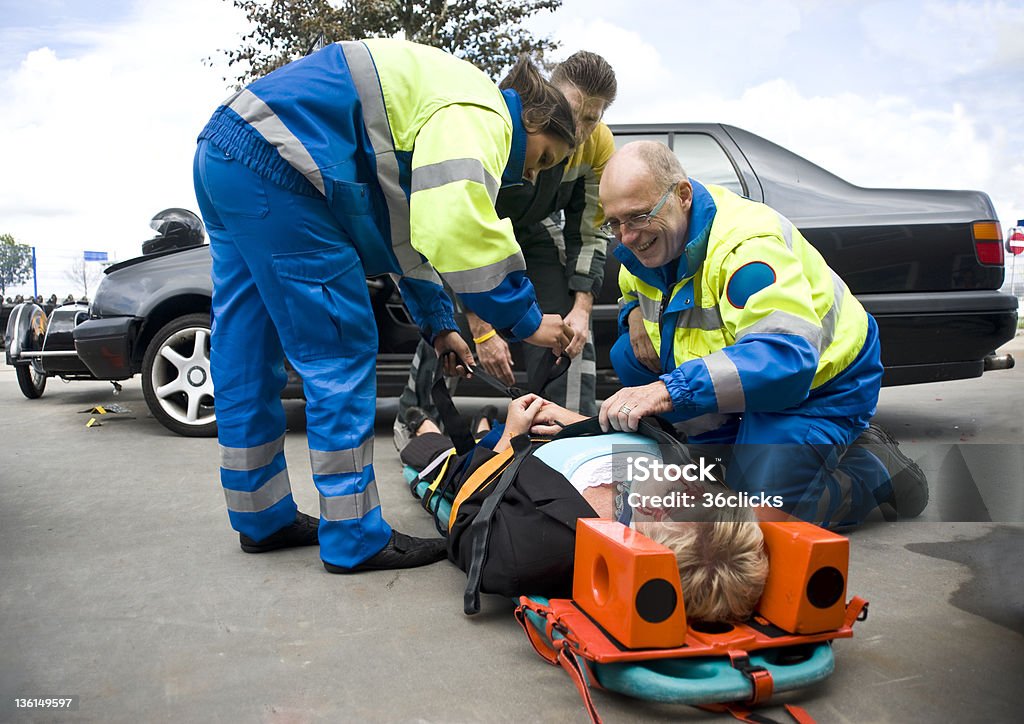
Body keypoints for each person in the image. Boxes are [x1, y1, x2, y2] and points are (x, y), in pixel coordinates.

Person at [193, 38, 583, 574]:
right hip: (286, 167)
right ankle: (354, 537)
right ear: (531, 118)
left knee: (246, 351)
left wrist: (441, 324)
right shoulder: (485, 113)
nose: (531, 175)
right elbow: (457, 227)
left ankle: (261, 517)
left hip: (227, 151)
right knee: (339, 351)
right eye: (544, 158)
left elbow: (409, 237)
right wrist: (530, 322)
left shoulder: (441, 106)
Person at [593, 141, 928, 528]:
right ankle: (735, 449)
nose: (626, 238)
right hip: (748, 379)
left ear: (682, 195)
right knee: (629, 357)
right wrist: (631, 311)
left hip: (817, 384)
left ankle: (874, 470)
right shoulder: (651, 240)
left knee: (755, 521)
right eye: (613, 223)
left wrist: (668, 390)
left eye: (637, 218)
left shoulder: (747, 248)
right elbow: (630, 280)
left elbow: (785, 355)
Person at [394, 50, 618, 447]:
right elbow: (460, 234)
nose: (580, 129)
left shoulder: (599, 147)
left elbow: (588, 231)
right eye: (572, 111)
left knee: (567, 324)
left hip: (536, 230)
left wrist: (581, 308)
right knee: (453, 311)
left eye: (591, 118)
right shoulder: (502, 123)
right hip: (476, 219)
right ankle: (418, 415)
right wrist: (483, 331)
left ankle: (563, 431)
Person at [401, 394, 768, 622]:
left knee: (439, 452)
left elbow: (465, 522)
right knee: (494, 425)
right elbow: (655, 436)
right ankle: (486, 424)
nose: (691, 478)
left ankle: (423, 424)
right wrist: (569, 418)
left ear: (655, 518)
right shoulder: (693, 492)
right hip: (558, 430)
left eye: (685, 494)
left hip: (497, 461)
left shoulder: (539, 547)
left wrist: (511, 437)